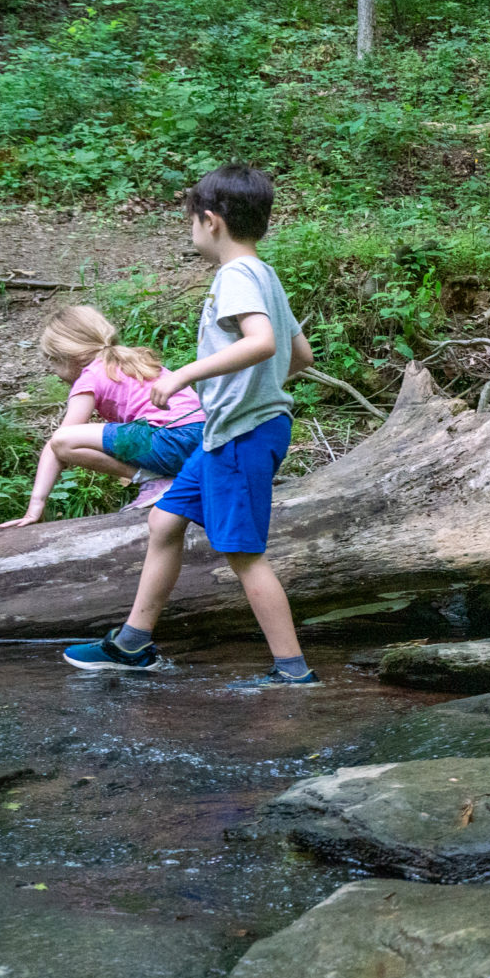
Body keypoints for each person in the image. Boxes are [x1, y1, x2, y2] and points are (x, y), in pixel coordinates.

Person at [63, 164, 320, 687]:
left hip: (243, 434)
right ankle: (132, 644)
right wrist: (253, 386)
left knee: (244, 554)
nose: (192, 231)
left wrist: (185, 375)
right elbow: (301, 355)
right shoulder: (264, 274)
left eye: (191, 222)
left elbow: (263, 344)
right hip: (226, 432)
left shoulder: (235, 276)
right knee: (164, 522)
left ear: (210, 221)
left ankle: (293, 672)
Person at [0, 305, 205, 527]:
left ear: (67, 356)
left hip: (170, 440)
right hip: (202, 439)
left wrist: (35, 505)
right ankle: (169, 480)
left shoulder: (91, 376)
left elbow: (58, 441)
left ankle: (155, 480)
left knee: (64, 442)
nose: (54, 372)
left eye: (53, 361)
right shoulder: (134, 359)